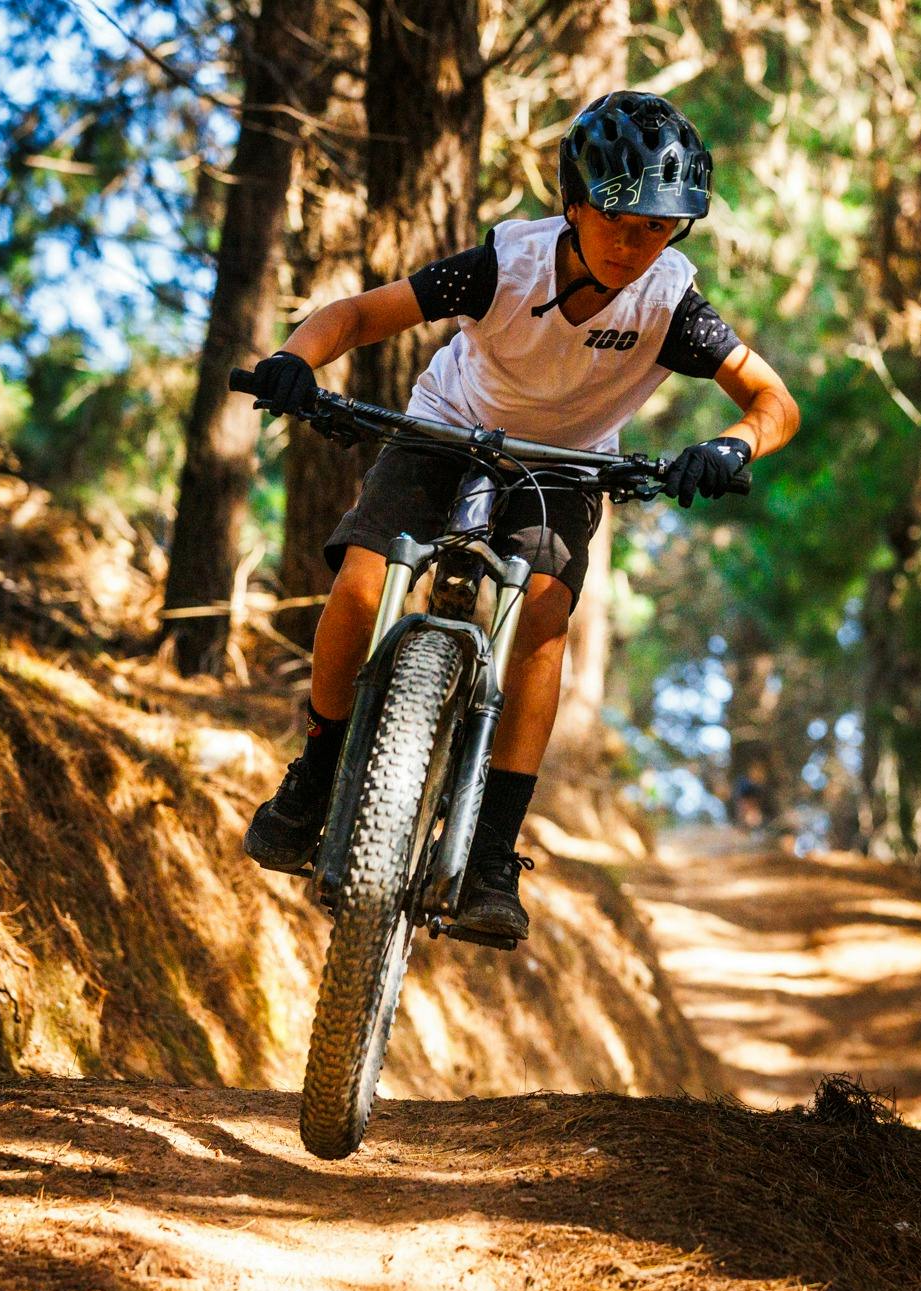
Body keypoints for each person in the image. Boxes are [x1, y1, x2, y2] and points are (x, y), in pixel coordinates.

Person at [241, 92, 800, 944]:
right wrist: (293, 360)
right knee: (361, 579)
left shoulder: (672, 305)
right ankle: (317, 768)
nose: (636, 243)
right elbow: (357, 316)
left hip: (568, 465)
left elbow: (773, 400)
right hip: (444, 429)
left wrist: (731, 447)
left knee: (543, 615)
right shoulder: (505, 266)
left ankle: (494, 854)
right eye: (620, 219)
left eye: (660, 228)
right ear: (575, 203)